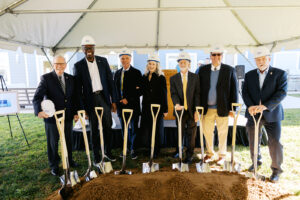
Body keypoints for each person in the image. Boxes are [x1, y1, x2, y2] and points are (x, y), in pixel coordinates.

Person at [242, 46, 287, 182]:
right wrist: (250, 106)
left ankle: (276, 170)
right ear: (255, 61)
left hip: (272, 114)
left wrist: (265, 106)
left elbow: (281, 93)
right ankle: (256, 162)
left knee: (274, 142)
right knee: (253, 141)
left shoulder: (280, 74)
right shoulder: (249, 75)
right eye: (258, 59)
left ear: (269, 59)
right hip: (253, 114)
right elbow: (245, 92)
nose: (261, 61)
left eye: (263, 59)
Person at [73, 35, 117, 164]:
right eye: (86, 48)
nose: (89, 50)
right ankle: (97, 156)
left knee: (107, 125)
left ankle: (108, 152)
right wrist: (82, 109)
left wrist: (113, 100)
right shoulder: (78, 66)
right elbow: (78, 90)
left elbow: (111, 82)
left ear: (94, 48)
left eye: (91, 47)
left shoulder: (103, 61)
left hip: (103, 97)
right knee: (94, 129)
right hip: (90, 100)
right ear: (82, 49)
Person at [33, 55, 78, 176]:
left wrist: (75, 113)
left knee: (68, 140)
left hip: (67, 116)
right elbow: (37, 97)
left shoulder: (71, 78)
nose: (59, 66)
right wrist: (38, 111)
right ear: (53, 65)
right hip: (52, 118)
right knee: (53, 143)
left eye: (62, 63)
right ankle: (54, 165)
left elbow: (74, 98)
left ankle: (69, 160)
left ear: (65, 65)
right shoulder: (46, 78)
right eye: (57, 63)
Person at [198, 46, 238, 165]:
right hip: (207, 108)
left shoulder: (229, 70)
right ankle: (209, 153)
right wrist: (198, 109)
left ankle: (221, 155)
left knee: (222, 132)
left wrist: (233, 109)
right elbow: (198, 90)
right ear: (210, 56)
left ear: (222, 56)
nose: (216, 57)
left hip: (223, 108)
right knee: (208, 132)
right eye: (214, 55)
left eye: (219, 54)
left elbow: (234, 90)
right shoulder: (202, 70)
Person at [170, 52, 200, 164]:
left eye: (185, 62)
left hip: (192, 111)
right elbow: (173, 93)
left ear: (189, 64)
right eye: (180, 62)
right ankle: (179, 151)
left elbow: (197, 94)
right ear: (178, 64)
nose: (182, 64)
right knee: (179, 132)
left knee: (191, 134)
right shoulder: (174, 78)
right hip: (179, 111)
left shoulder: (195, 77)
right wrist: (176, 104)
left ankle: (189, 155)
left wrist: (197, 111)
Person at [114, 48, 143, 159]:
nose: (124, 60)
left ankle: (133, 149)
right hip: (121, 107)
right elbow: (115, 89)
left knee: (134, 128)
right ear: (120, 60)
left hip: (133, 106)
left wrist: (128, 99)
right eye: (122, 58)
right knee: (124, 128)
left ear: (130, 59)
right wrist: (117, 102)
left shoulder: (136, 72)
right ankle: (125, 147)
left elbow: (140, 90)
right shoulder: (117, 73)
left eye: (127, 58)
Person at [140, 54, 168, 158]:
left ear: (157, 65)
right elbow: (142, 91)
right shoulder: (144, 77)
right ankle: (149, 148)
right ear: (147, 65)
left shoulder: (161, 77)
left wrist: (165, 109)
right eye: (150, 64)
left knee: (156, 129)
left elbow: (164, 94)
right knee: (148, 128)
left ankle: (156, 150)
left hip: (157, 107)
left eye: (153, 64)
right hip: (147, 107)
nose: (151, 66)